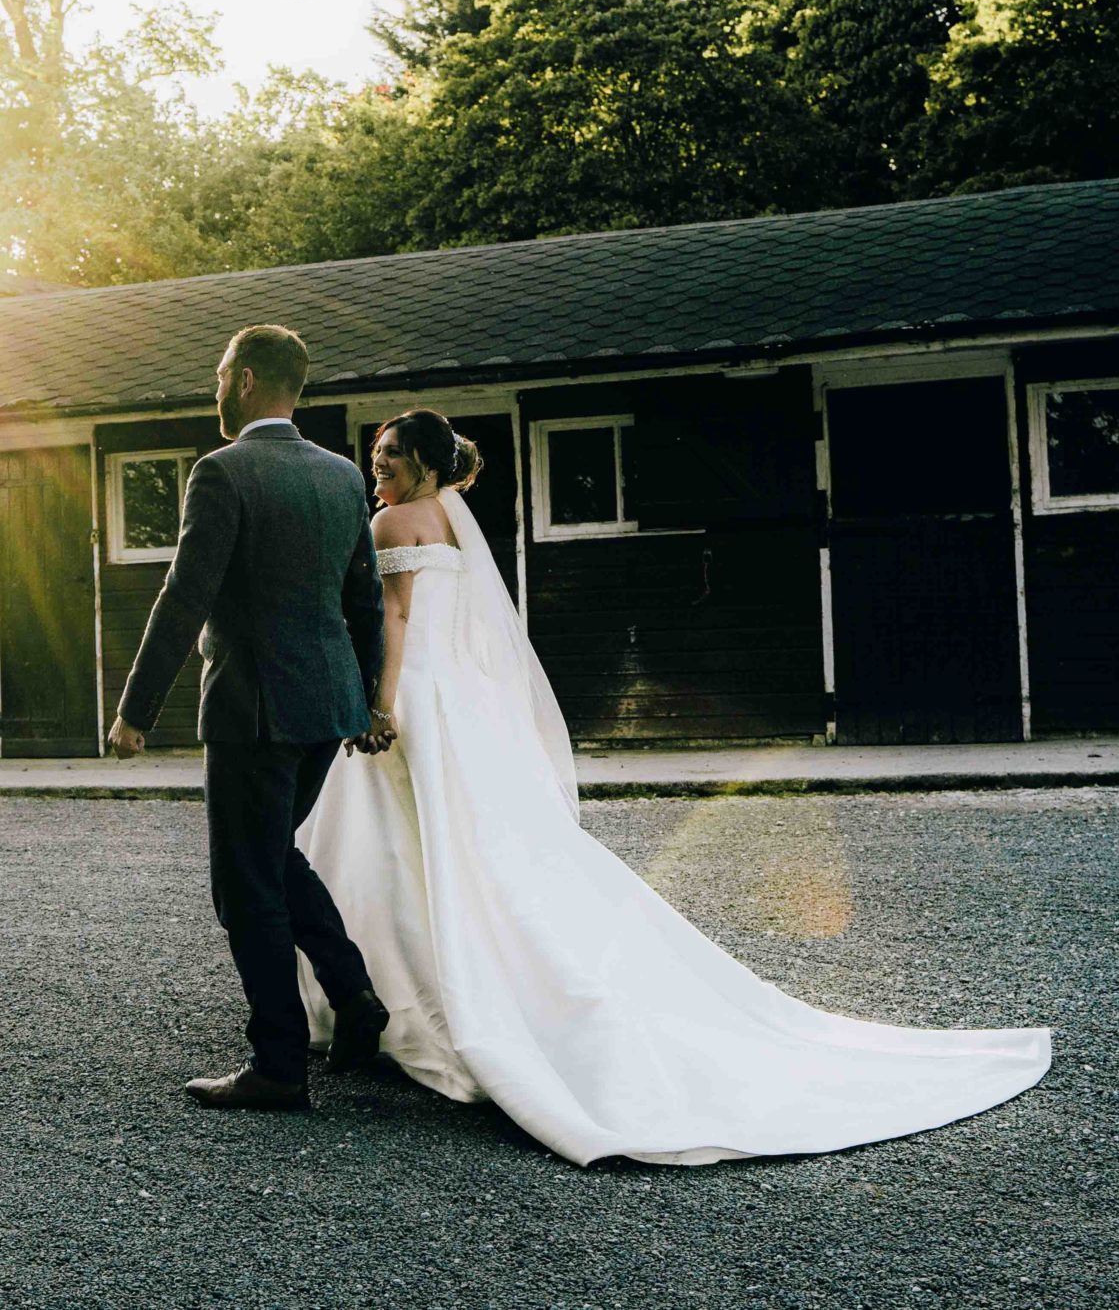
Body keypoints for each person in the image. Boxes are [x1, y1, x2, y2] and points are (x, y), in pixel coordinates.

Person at [292, 406, 1054, 1165]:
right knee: (449, 848)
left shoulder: (394, 525)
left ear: (427, 464)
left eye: (394, 454)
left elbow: (393, 617)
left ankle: (408, 998)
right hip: (459, 699)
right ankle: (414, 991)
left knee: (403, 848)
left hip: (417, 699)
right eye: (377, 452)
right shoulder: (453, 522)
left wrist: (379, 702)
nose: (379, 464)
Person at [106, 324, 394, 1111]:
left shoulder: (222, 472)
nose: (214, 386)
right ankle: (357, 1001)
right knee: (270, 858)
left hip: (254, 710)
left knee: (245, 885)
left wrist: (136, 709)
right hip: (326, 708)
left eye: (221, 371)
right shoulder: (340, 476)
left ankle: (278, 1063)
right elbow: (363, 601)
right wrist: (367, 697)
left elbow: (184, 594)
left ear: (250, 378)